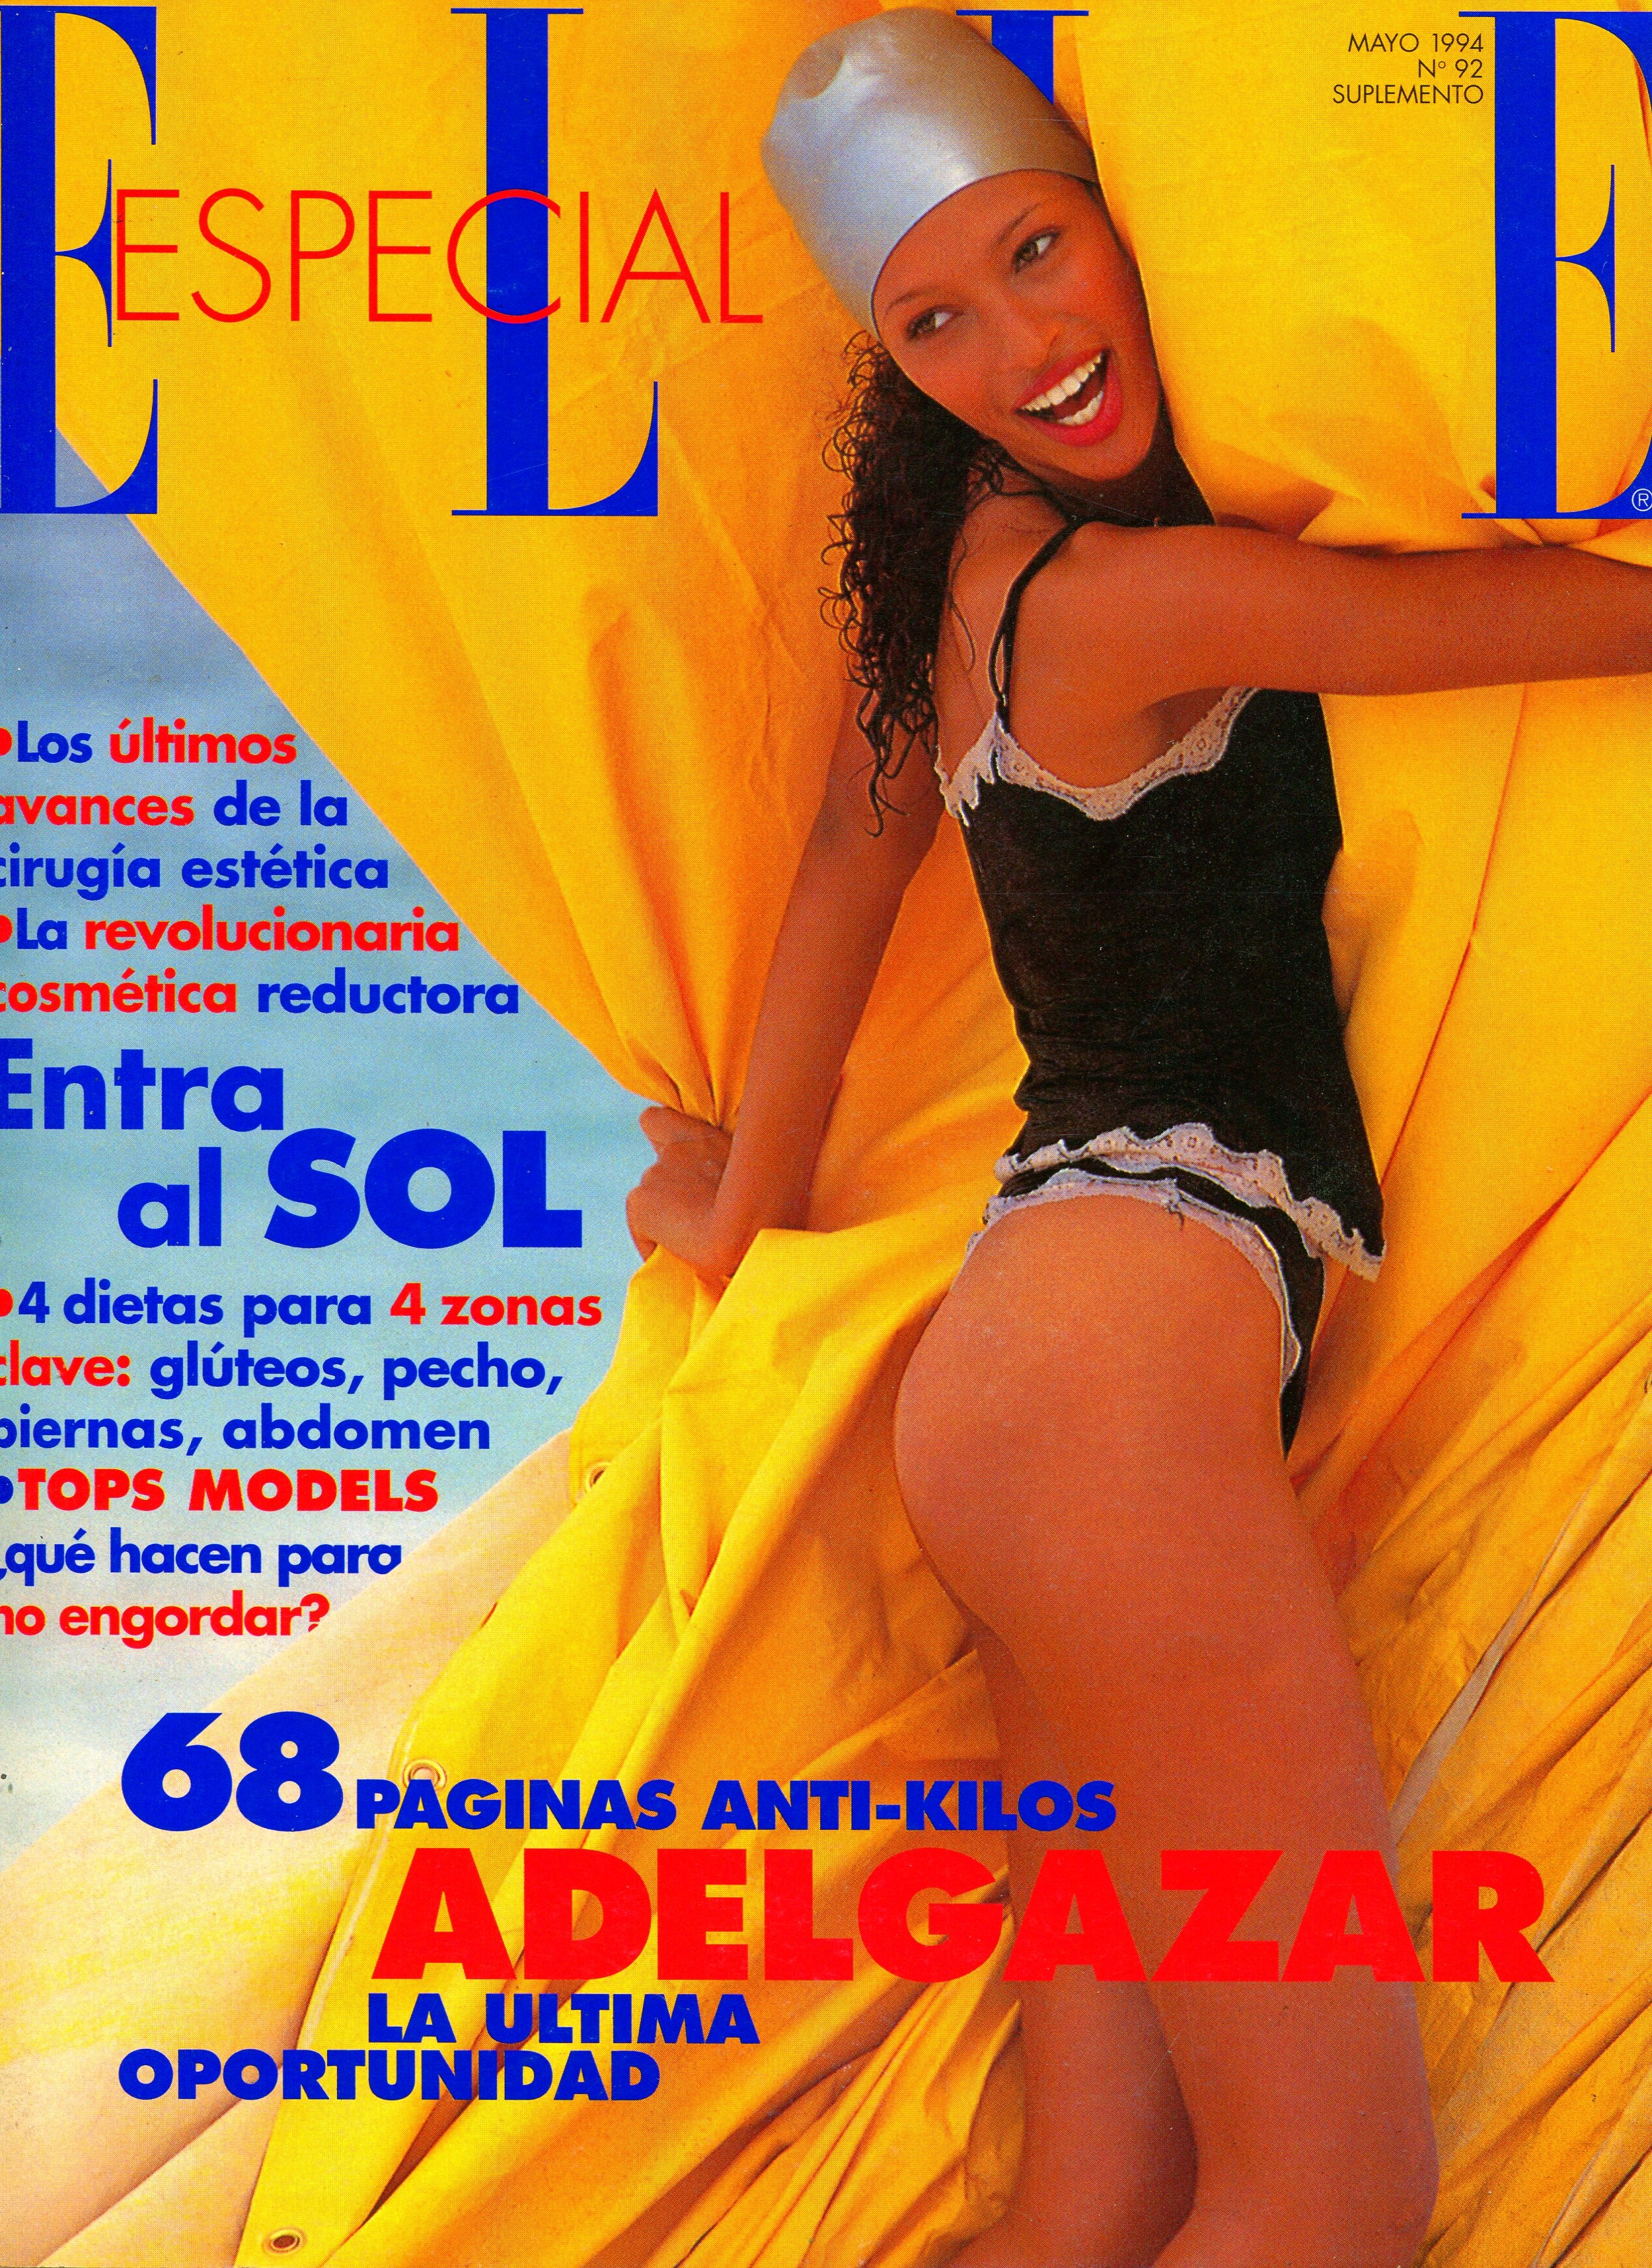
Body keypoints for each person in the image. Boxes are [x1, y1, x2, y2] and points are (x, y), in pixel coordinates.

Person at [626, 14, 1652, 2264]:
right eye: (937, 321)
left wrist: (740, 1205)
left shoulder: (977, 580)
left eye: (1034, 251)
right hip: (1110, 1392)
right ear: (899, 371)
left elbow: (848, 863)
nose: (1023, 345)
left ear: (1125, 220)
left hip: (1030, 1386)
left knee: (1101, 2197)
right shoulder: (1144, 596)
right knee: (1332, 2200)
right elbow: (1600, 620)